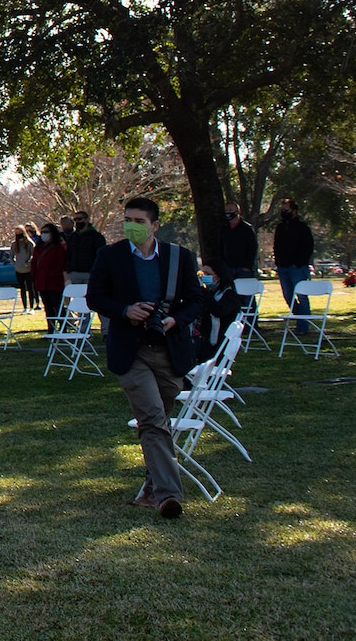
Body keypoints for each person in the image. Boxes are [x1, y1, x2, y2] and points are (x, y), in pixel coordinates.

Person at [86, 196, 205, 519]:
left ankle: (151, 488)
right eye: (128, 219)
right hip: (130, 351)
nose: (132, 226)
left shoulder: (179, 257)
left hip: (168, 349)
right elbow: (95, 297)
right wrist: (126, 310)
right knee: (152, 419)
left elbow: (196, 300)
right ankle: (169, 496)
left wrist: (174, 320)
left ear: (154, 225)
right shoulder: (109, 256)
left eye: (139, 221)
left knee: (159, 422)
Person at [272, 197, 315, 336]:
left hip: (297, 268)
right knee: (288, 296)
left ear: (294, 211)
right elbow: (276, 245)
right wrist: (278, 261)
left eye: (287, 209)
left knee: (302, 296)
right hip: (283, 267)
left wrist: (299, 262)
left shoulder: (302, 227)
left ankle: (303, 326)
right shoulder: (280, 227)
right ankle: (300, 316)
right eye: (282, 209)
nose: (284, 212)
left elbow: (308, 246)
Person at [32, 223, 70, 331]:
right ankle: (51, 329)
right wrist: (35, 277)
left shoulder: (58, 247)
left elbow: (61, 264)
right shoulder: (38, 248)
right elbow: (34, 263)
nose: (44, 234)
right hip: (41, 282)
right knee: (47, 307)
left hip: (54, 282)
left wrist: (51, 274)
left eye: (46, 232)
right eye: (42, 232)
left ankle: (63, 328)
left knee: (58, 305)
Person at [11, 226, 36, 310]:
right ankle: (24, 307)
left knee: (30, 288)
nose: (18, 235)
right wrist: (15, 264)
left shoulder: (29, 243)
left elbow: (33, 255)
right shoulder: (14, 244)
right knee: (22, 289)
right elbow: (11, 256)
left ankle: (31, 307)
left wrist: (29, 263)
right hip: (19, 269)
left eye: (20, 232)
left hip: (28, 269)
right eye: (16, 233)